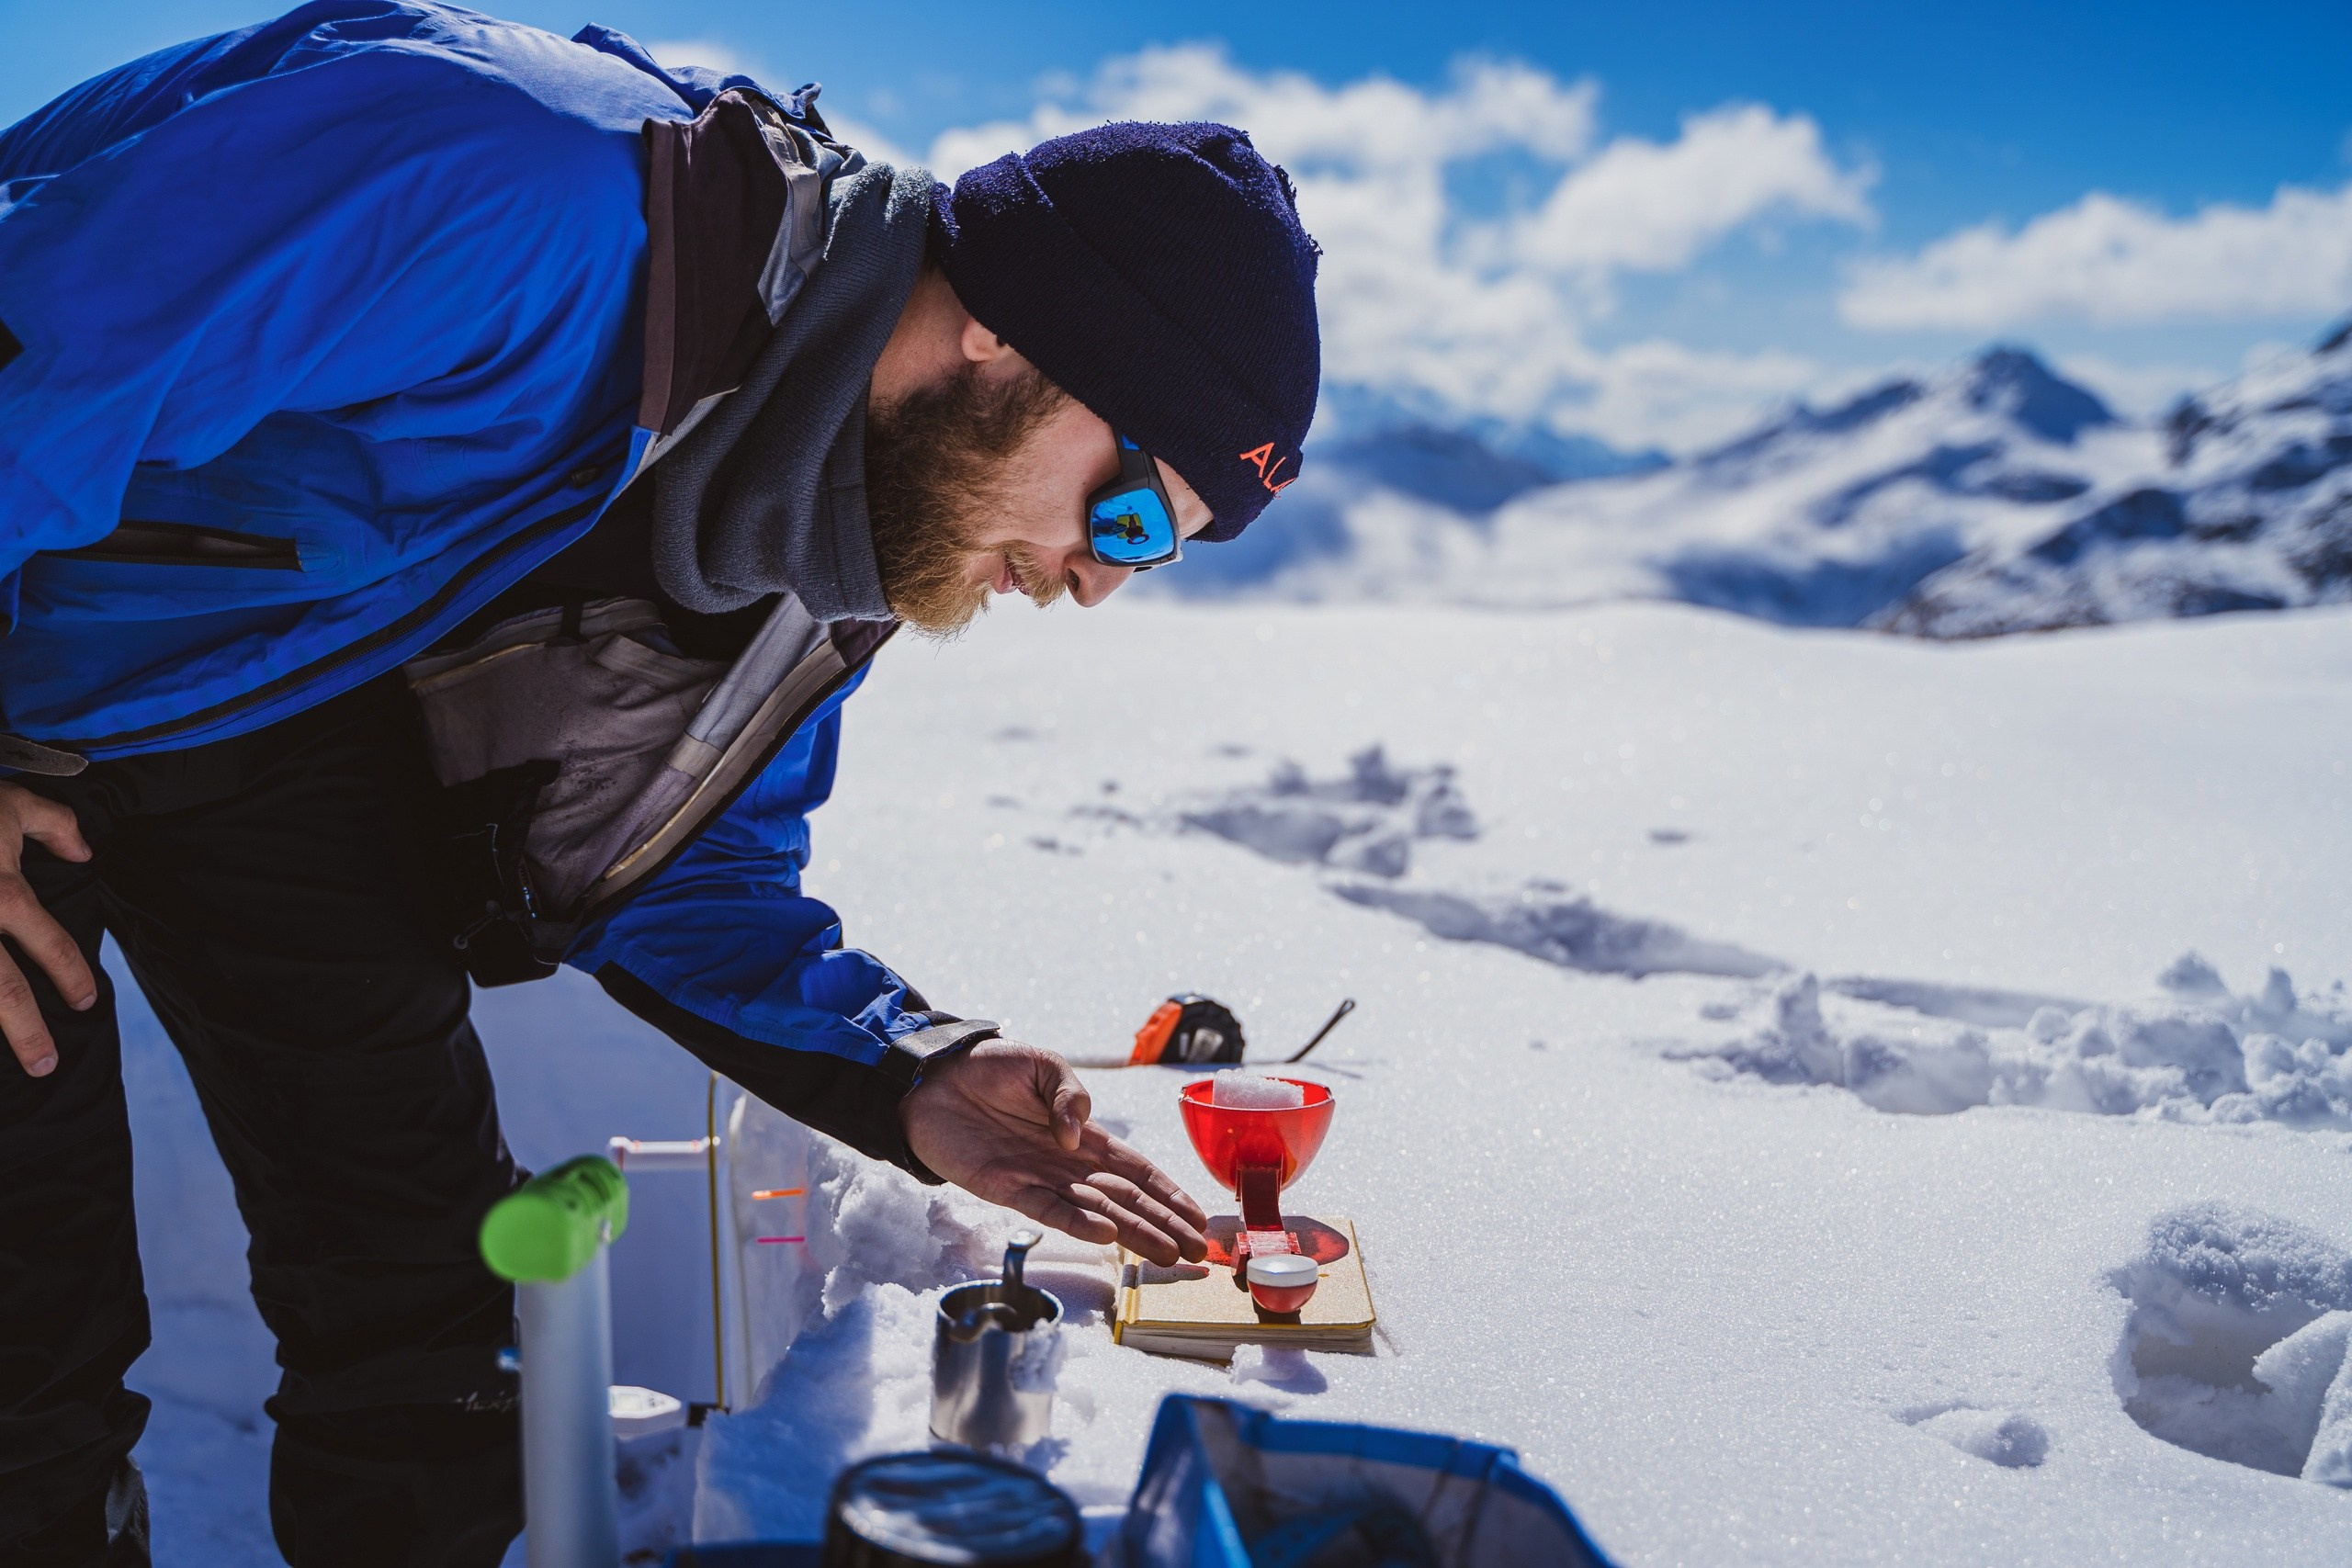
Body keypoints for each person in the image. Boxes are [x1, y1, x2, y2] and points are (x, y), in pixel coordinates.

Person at [0, 4, 1320, 1563]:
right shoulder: (513, 184)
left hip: (244, 698)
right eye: (1132, 519)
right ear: (1015, 332)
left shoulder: (829, 518)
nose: (1098, 586)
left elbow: (680, 860)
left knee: (421, 1290)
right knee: (30, 1326)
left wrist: (908, 1072)